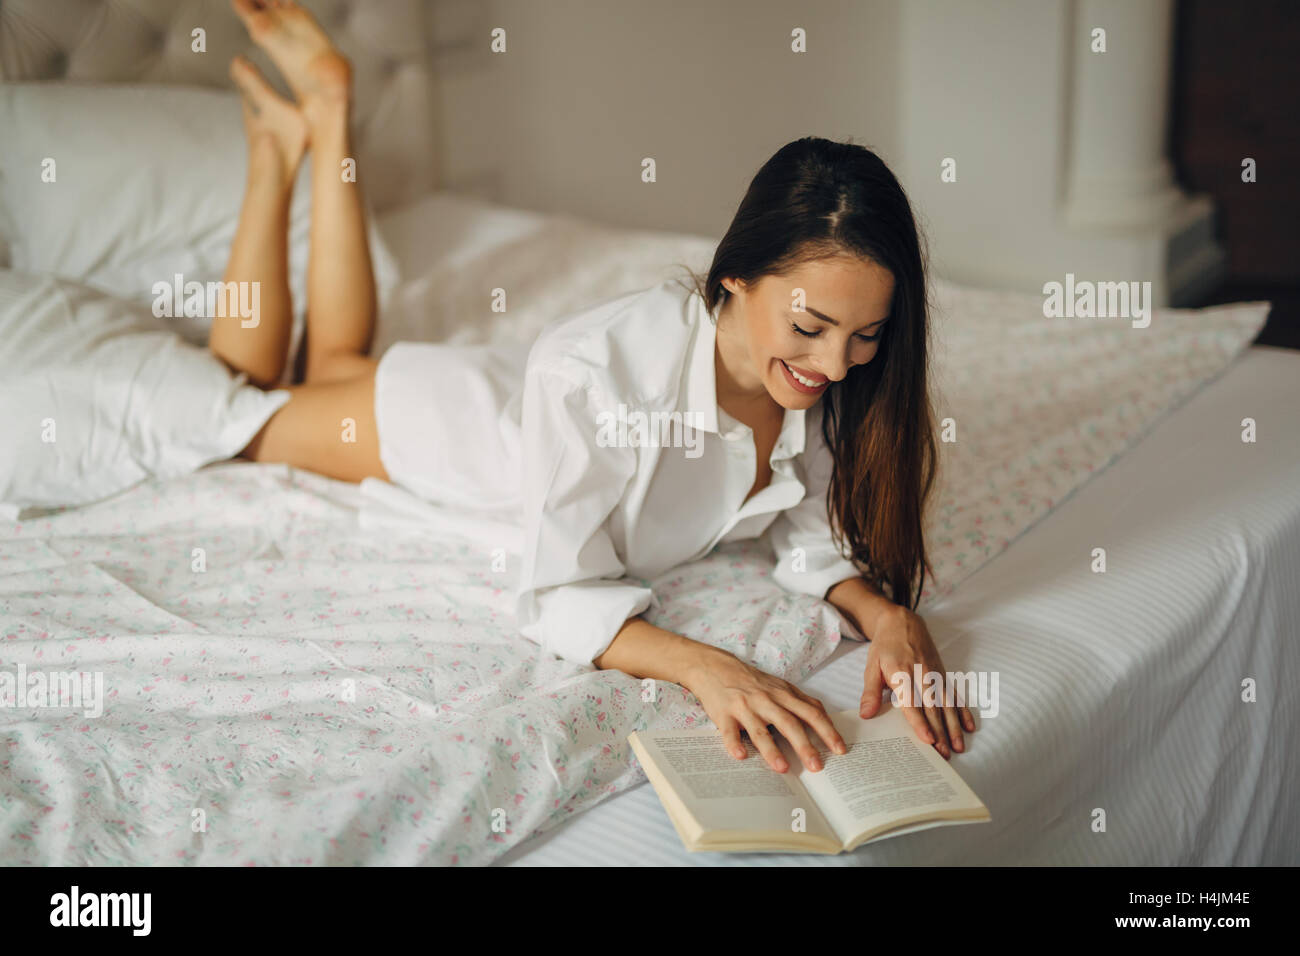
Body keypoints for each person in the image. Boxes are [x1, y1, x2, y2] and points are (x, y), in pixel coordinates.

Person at [213, 0, 977, 777]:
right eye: (810, 325)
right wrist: (708, 667)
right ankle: (280, 151)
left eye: (867, 335)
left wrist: (888, 617)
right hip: (454, 427)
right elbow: (553, 595)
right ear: (737, 274)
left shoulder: (817, 380)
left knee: (337, 361)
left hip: (528, 392)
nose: (840, 363)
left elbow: (807, 530)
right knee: (243, 393)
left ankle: (328, 112)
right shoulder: (597, 375)